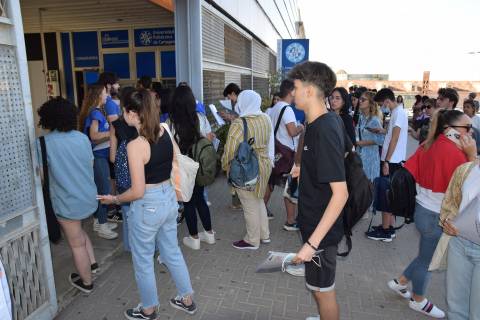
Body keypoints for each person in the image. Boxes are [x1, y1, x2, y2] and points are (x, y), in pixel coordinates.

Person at [98, 90, 197, 320]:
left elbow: (137, 190)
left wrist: (114, 199)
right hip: (168, 198)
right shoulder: (165, 130)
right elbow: (176, 158)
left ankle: (148, 309)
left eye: (124, 110)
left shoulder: (136, 145)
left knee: (142, 260)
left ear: (133, 113)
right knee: (171, 251)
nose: (123, 115)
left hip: (147, 205)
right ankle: (187, 299)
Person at [386, 109, 476, 318]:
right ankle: (418, 300)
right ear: (451, 130)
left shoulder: (429, 144)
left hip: (423, 210)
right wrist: (471, 156)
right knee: (426, 262)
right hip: (437, 217)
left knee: (424, 257)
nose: (471, 133)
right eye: (467, 128)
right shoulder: (455, 153)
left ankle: (399, 282)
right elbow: (471, 187)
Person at [288, 61, 349, 320]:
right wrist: (310, 169)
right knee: (317, 288)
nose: (292, 92)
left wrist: (312, 244)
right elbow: (344, 152)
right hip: (313, 223)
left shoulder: (324, 128)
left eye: (296, 87)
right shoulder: (321, 121)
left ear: (310, 91)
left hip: (320, 234)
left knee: (324, 293)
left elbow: (341, 194)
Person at [37, 97, 98, 293]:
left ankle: (86, 282)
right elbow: (90, 164)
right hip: (87, 197)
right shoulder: (81, 137)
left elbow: (41, 176)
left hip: (67, 202)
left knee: (76, 243)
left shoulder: (44, 143)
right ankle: (93, 264)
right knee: (80, 232)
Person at [221, 90, 274, 250]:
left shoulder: (239, 123)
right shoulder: (265, 118)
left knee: (249, 203)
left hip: (247, 168)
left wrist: (225, 165)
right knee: (258, 199)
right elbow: (270, 141)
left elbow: (230, 149)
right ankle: (264, 235)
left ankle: (252, 240)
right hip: (264, 164)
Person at [430, 158, 480, 320]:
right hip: (459, 243)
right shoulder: (466, 169)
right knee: (455, 308)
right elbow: (450, 202)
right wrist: (447, 222)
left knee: (476, 313)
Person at [169, 85, 215, 250]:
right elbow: (208, 138)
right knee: (200, 199)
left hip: (182, 167)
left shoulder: (171, 121)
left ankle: (194, 238)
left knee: (188, 201)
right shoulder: (199, 117)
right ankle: (209, 234)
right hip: (198, 165)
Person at [366, 88, 408, 241]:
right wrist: (382, 131)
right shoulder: (398, 113)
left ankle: (385, 231)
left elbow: (395, 139)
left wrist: (387, 161)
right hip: (392, 160)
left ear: (386, 101)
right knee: (388, 194)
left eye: (380, 104)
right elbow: (392, 135)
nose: (381, 108)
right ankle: (388, 227)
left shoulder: (399, 114)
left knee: (386, 196)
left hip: (392, 161)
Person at [78, 84, 118, 240]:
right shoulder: (95, 113)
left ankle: (98, 221)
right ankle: (102, 225)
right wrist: (112, 133)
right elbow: (94, 135)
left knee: (101, 188)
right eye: (104, 93)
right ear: (98, 95)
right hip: (98, 156)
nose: (107, 95)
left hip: (100, 155)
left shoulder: (97, 111)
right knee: (104, 190)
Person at [264, 79, 304, 227]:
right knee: (290, 186)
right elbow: (292, 131)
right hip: (286, 154)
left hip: (274, 151)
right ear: (291, 92)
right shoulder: (287, 109)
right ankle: (290, 221)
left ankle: (261, 214)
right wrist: (301, 127)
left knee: (270, 183)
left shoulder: (273, 108)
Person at [109, 87, 137, 252]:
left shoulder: (115, 125)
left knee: (127, 213)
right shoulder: (143, 125)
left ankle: (129, 246)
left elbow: (112, 158)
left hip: (124, 178)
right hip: (142, 175)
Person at [356, 91, 384, 182]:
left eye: (363, 99)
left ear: (371, 103)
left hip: (370, 159)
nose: (360, 101)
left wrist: (363, 143)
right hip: (360, 156)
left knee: (369, 188)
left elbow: (382, 140)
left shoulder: (374, 120)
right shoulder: (361, 118)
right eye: (360, 99)